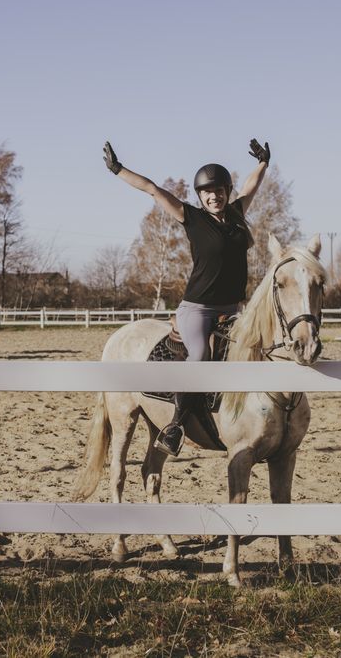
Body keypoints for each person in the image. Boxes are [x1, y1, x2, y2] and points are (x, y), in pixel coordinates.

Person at [103, 138, 270, 456]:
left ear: (226, 191)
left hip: (234, 309)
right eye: (207, 192)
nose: (213, 196)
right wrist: (118, 170)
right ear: (201, 196)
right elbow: (153, 189)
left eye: (219, 190)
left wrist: (263, 162)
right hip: (198, 310)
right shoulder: (192, 219)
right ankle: (175, 427)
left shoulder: (237, 215)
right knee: (199, 359)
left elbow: (251, 187)